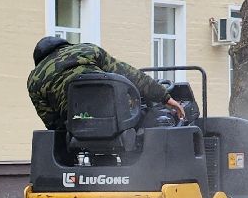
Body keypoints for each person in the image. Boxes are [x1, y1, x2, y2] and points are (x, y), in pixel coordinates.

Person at [26, 35, 184, 132]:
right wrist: (165, 98)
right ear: (66, 46)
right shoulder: (87, 50)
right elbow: (129, 73)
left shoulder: (34, 80)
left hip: (79, 126)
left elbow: (52, 122)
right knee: (155, 115)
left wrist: (74, 135)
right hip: (119, 116)